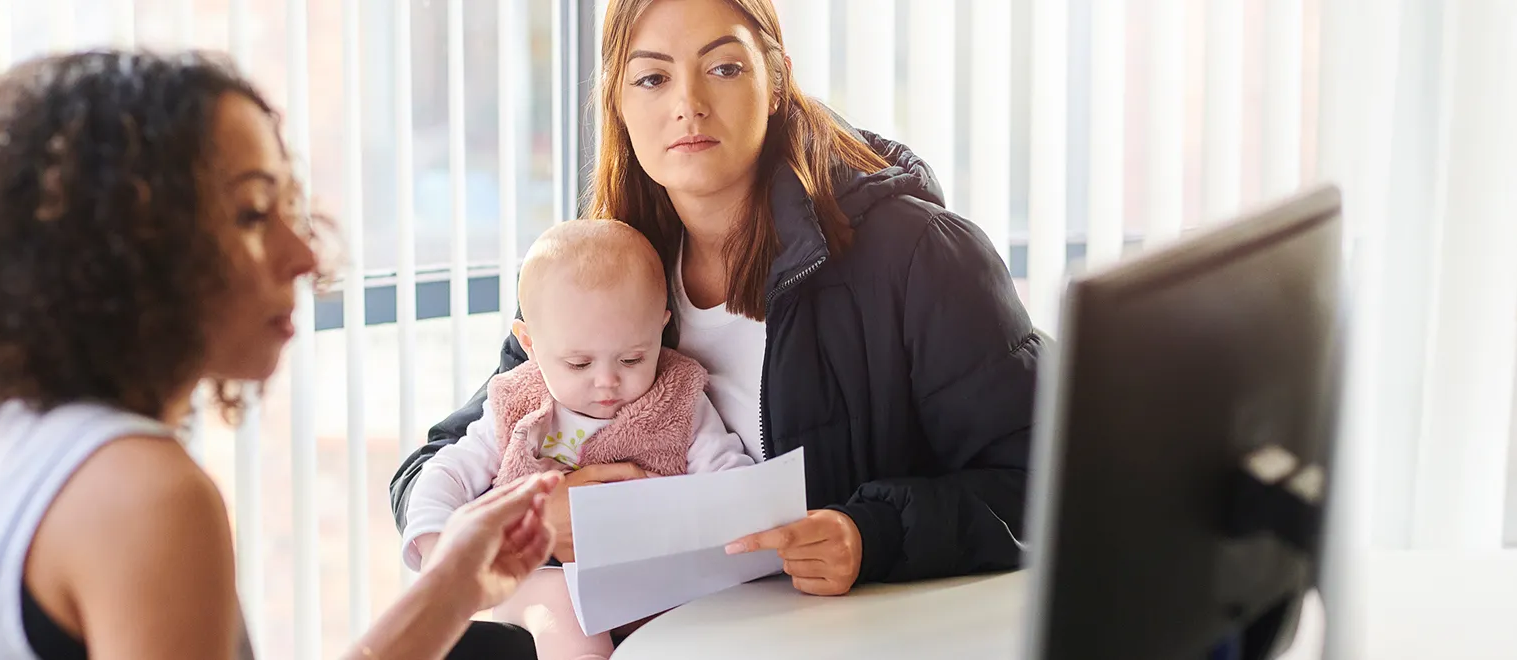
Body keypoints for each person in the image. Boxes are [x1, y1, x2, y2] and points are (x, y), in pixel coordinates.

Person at [0, 50, 562, 660]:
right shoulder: (143, 494)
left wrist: (454, 589)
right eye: (252, 214)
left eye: (290, 206)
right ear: (127, 251)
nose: (305, 253)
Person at [389, 0, 1038, 611]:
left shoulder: (918, 256)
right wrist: (539, 513)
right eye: (651, 79)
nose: (688, 105)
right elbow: (441, 464)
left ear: (777, 80)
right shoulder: (599, 274)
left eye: (724, 68)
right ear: (617, 101)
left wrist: (872, 534)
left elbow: (1047, 483)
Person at [398, 219, 757, 659]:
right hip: (540, 577)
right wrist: (440, 550)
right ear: (529, 343)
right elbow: (446, 471)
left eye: (631, 357)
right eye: (578, 364)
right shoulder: (517, 404)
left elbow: (732, 482)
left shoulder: (677, 399)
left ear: (660, 329)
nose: (607, 382)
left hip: (651, 581)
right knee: (562, 610)